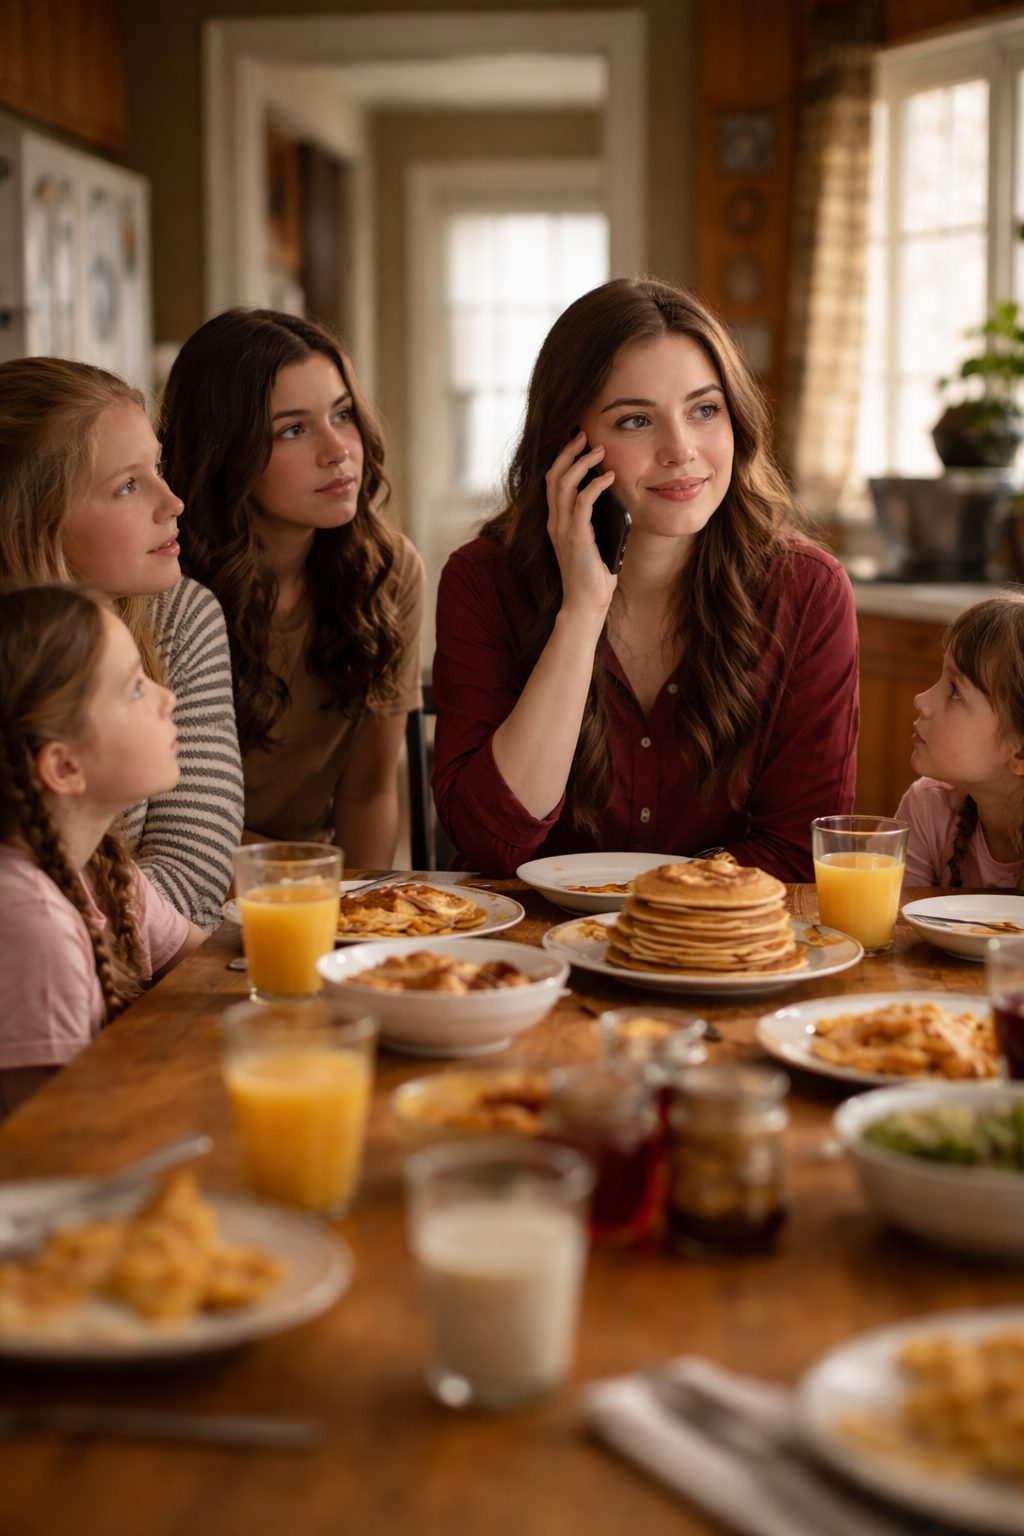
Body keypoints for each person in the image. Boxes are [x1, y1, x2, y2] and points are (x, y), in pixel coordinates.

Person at [432, 276, 859, 881]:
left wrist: (640, 903)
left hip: (718, 934)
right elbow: (490, 841)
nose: (681, 449)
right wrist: (581, 613)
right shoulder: (481, 582)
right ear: (569, 446)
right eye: (636, 420)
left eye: (704, 410)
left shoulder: (808, 591)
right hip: (531, 936)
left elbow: (799, 851)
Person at [159, 309, 424, 866]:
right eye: (293, 430)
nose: (338, 450)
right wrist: (303, 880)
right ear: (226, 451)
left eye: (342, 414)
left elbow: (369, 792)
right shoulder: (163, 589)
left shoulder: (389, 571)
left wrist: (360, 906)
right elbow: (159, 822)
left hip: (309, 884)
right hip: (183, 879)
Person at [0, 358, 243, 930]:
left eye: (157, 469)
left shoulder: (179, 617)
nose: (173, 502)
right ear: (28, 526)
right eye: (128, 486)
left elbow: (191, 877)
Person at [0, 585, 206, 1118]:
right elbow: (57, 1139)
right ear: (64, 766)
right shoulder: (30, 919)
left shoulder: (103, 868)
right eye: (135, 688)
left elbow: (208, 968)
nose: (167, 697)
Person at [897, 593, 1024, 889]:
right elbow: (895, 915)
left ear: (1020, 753)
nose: (921, 700)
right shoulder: (928, 806)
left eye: (955, 692)